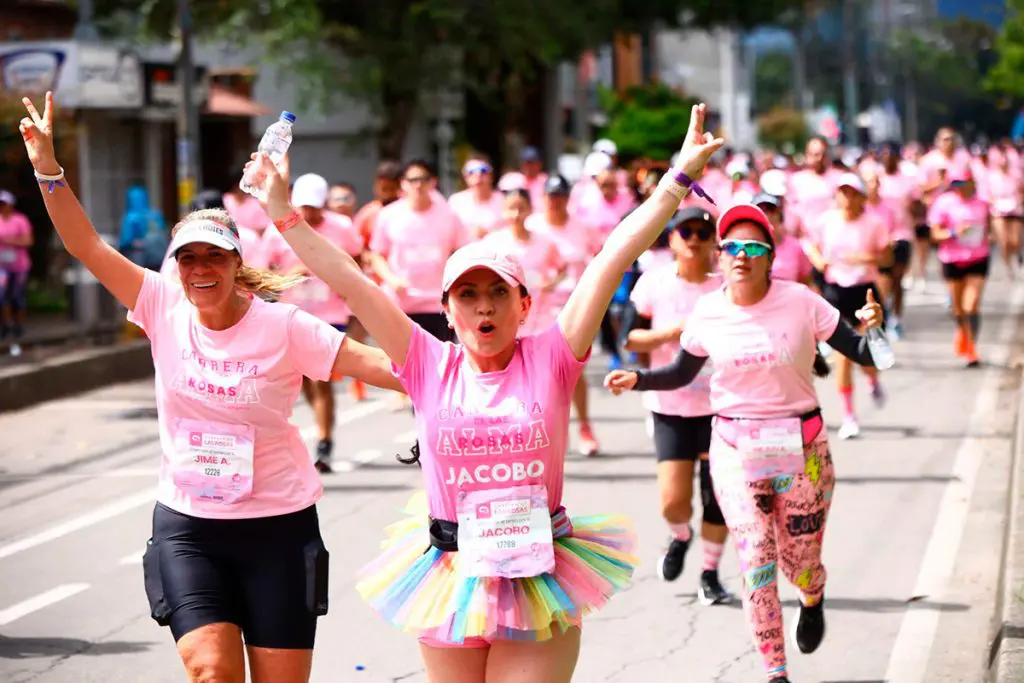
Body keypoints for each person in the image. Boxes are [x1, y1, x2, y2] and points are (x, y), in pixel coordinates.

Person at [246, 103, 725, 682]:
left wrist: (676, 181)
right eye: (467, 295)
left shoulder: (553, 354)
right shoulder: (424, 360)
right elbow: (349, 277)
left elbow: (612, 255)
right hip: (450, 571)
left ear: (523, 305)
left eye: (497, 293)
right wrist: (281, 211)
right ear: (446, 311)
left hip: (540, 569)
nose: (483, 307)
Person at [17, 91, 403, 683]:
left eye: (213, 257)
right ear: (174, 264)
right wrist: (48, 167)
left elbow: (382, 366)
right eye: (188, 258)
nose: (200, 269)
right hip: (190, 526)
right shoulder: (158, 301)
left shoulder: (283, 327)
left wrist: (475, 373)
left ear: (234, 263)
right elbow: (86, 245)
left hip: (277, 526)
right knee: (211, 670)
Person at [604, 203, 884, 683]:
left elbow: (862, 353)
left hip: (804, 450)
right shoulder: (708, 311)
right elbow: (681, 372)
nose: (742, 255)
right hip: (735, 452)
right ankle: (775, 671)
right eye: (732, 246)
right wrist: (638, 379)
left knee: (801, 562)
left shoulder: (802, 301)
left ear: (769, 257)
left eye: (754, 246)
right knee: (756, 557)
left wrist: (874, 326)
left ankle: (812, 596)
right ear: (720, 255)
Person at [622, 205, 732, 604]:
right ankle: (681, 536)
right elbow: (628, 338)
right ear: (671, 240)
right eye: (686, 233)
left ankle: (710, 572)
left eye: (703, 235)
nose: (695, 241)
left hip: (721, 405)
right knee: (673, 500)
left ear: (713, 243)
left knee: (717, 496)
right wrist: (672, 334)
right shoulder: (654, 283)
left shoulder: (725, 287)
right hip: (669, 404)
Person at [927, 169, 991, 367]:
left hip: (977, 258)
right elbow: (935, 234)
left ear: (972, 182)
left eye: (964, 184)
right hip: (952, 259)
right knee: (957, 308)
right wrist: (955, 232)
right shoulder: (944, 203)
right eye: (956, 184)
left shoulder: (982, 204)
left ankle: (971, 348)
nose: (960, 189)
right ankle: (963, 333)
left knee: (971, 305)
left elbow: (988, 228)